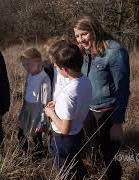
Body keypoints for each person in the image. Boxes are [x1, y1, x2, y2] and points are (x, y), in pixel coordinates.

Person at [73, 15, 130, 180]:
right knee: (92, 149)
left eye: (84, 34)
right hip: (88, 111)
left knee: (110, 155)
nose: (80, 39)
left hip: (108, 112)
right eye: (77, 35)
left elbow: (123, 90)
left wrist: (118, 123)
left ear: (94, 30)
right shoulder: (84, 52)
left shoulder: (115, 52)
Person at [45, 41, 92, 180]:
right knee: (76, 162)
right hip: (78, 133)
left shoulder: (68, 94)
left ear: (65, 70)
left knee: (65, 170)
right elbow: (76, 103)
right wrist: (58, 103)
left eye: (57, 66)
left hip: (63, 139)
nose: (54, 66)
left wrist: (51, 113)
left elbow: (65, 128)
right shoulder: (85, 81)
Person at [17, 47, 51, 158]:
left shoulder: (44, 79)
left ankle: (40, 153)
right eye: (24, 65)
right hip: (27, 107)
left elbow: (45, 102)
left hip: (37, 110)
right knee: (21, 131)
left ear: (38, 61)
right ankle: (23, 151)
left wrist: (42, 121)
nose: (26, 68)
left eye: (28, 64)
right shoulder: (29, 74)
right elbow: (27, 90)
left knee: (36, 134)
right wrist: (23, 106)